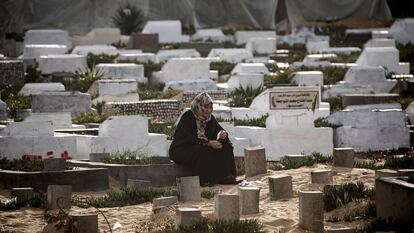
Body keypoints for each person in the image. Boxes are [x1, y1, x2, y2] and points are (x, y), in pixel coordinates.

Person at [169, 92, 238, 186]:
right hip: (182, 150)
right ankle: (205, 180)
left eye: (210, 107)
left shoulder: (209, 118)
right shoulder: (188, 117)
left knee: (226, 146)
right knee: (203, 151)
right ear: (199, 106)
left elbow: (218, 130)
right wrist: (208, 143)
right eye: (206, 107)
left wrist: (222, 134)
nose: (209, 110)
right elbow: (189, 139)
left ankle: (226, 176)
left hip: (201, 146)